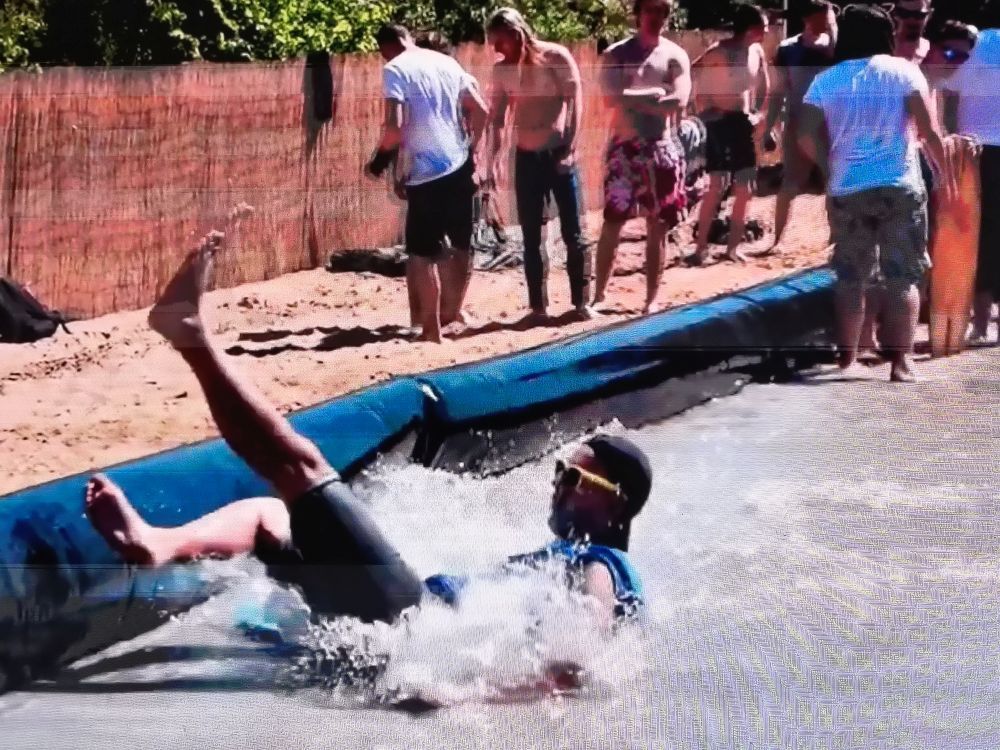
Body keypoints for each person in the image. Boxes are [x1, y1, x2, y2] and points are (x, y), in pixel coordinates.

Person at [83, 232, 653, 696]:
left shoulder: (601, 564)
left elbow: (575, 661)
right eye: (559, 472)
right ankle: (157, 544)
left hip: (408, 624)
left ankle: (188, 334)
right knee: (267, 517)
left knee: (302, 470)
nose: (557, 485)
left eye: (574, 478)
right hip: (399, 629)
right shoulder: (561, 560)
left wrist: (465, 693)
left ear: (616, 503)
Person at [798, 3, 954, 382]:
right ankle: (902, 363)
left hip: (848, 187)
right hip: (899, 185)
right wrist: (946, 176)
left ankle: (847, 358)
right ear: (885, 35)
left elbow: (803, 134)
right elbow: (929, 132)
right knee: (904, 276)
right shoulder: (904, 72)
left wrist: (828, 166)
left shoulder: (826, 80)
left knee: (851, 277)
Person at [367, 24, 489, 343]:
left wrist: (379, 162)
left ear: (386, 47)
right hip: (459, 165)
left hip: (427, 173)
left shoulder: (395, 69)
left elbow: (395, 127)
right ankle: (451, 313)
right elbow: (481, 109)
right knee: (461, 243)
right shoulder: (446, 62)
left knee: (421, 254)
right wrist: (473, 151)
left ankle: (431, 330)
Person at [485, 8, 593, 322]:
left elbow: (575, 101)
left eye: (500, 41)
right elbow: (497, 118)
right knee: (532, 235)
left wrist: (570, 146)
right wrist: (493, 160)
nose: (496, 49)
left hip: (558, 154)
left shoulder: (555, 57)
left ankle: (581, 303)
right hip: (526, 157)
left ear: (516, 34)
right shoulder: (502, 71)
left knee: (573, 231)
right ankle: (538, 308)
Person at [591, 0, 692, 315]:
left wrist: (632, 99)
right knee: (613, 221)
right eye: (649, 9)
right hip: (624, 150)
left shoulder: (675, 55)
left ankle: (651, 300)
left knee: (658, 225)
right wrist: (651, 95)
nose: (655, 16)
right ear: (638, 13)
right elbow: (608, 98)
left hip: (660, 148)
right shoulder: (617, 54)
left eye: (661, 10)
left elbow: (678, 100)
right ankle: (599, 295)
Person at [691, 3, 771, 265]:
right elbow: (692, 71)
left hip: (744, 123)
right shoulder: (719, 51)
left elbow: (765, 85)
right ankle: (700, 248)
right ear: (750, 28)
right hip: (719, 122)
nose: (767, 31)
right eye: (763, 26)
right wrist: (703, 108)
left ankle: (733, 248)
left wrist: (760, 114)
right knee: (717, 185)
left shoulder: (756, 51)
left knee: (745, 188)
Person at [764, 0, 838, 254]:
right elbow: (778, 91)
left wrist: (833, 29)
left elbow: (834, 53)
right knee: (791, 182)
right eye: (822, 16)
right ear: (807, 18)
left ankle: (835, 238)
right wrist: (769, 126)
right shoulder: (787, 49)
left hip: (829, 122)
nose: (826, 21)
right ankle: (777, 240)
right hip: (798, 121)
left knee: (833, 180)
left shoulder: (836, 47)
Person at [948, 28, 1000, 344]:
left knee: (977, 236)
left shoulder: (969, 42)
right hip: (976, 149)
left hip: (972, 151)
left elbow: (948, 93)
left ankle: (980, 324)